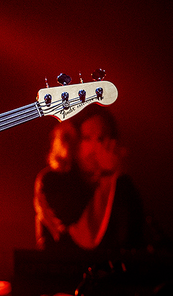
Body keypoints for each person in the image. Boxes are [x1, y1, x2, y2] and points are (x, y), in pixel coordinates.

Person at [33, 106, 146, 253]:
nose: (96, 146)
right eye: (87, 138)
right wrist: (107, 177)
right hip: (66, 270)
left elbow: (135, 241)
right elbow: (85, 239)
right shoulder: (52, 181)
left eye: (101, 138)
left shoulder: (122, 184)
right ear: (70, 141)